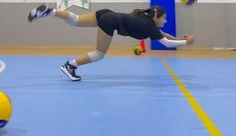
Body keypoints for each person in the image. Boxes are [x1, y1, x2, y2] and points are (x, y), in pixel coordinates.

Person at [28, 5, 195, 81]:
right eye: (164, 18)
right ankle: (70, 65)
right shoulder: (149, 26)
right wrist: (186, 44)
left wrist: (181, 39)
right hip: (110, 21)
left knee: (76, 20)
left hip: (106, 13)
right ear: (156, 18)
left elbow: (164, 35)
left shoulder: (147, 21)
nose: (165, 21)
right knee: (99, 54)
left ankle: (50, 12)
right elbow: (165, 43)